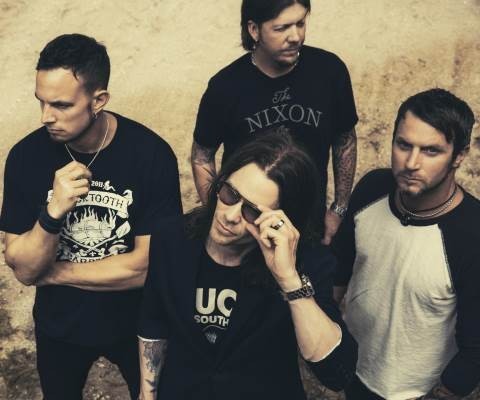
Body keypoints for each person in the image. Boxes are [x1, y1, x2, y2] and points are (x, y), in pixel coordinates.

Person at [0, 34, 182, 400]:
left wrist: (54, 273)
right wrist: (53, 212)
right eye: (41, 101)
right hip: (60, 326)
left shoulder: (150, 155)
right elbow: (24, 268)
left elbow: (146, 267)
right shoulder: (25, 158)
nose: (46, 117)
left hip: (137, 323)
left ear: (98, 100)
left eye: (61, 105)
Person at [138, 131, 358, 400]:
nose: (230, 216)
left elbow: (336, 373)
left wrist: (289, 281)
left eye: (252, 212)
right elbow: (155, 318)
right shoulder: (173, 237)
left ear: (281, 221)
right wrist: (147, 392)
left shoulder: (307, 263)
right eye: (230, 194)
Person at [333, 88, 480, 399]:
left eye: (431, 151)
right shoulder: (372, 188)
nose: (411, 163)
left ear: (459, 156)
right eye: (403, 145)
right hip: (355, 374)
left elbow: (476, 348)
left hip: (418, 392)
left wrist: (444, 392)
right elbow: (338, 271)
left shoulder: (473, 232)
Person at [191, 0, 358, 245]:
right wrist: (219, 214)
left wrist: (339, 209)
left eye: (300, 23)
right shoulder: (225, 87)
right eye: (282, 28)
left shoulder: (329, 71)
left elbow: (345, 140)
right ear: (254, 30)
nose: (295, 36)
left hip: (309, 229)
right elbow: (202, 157)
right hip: (246, 233)